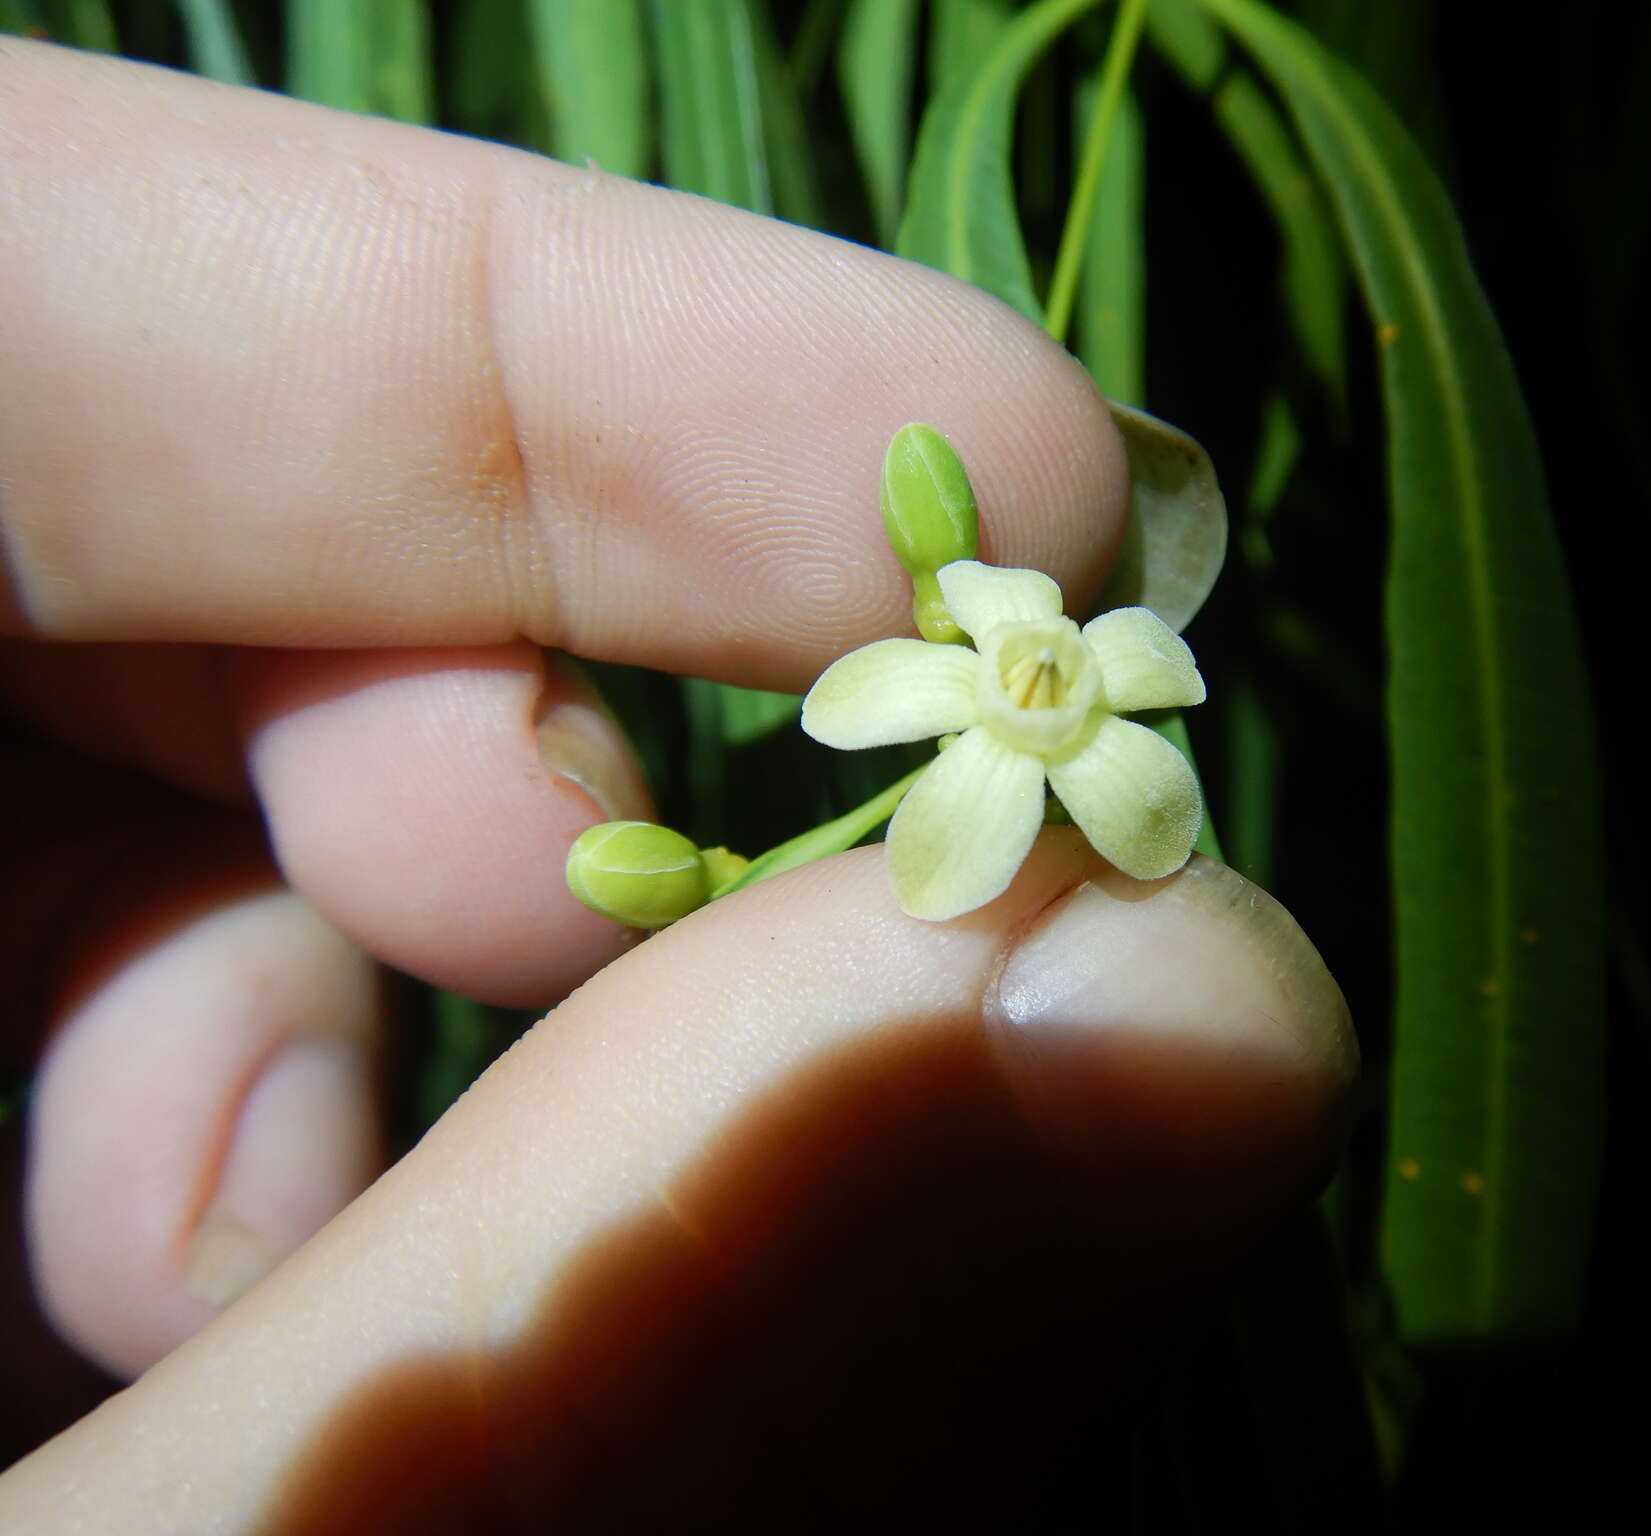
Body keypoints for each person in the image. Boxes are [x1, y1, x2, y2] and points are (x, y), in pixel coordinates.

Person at [0, 35, 1355, 1529]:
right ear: (973, 636)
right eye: (1023, 665)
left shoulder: (1060, 712)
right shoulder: (946, 672)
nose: (1037, 675)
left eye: (1045, 672)